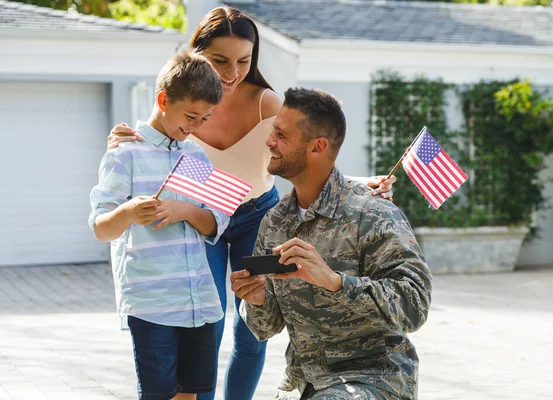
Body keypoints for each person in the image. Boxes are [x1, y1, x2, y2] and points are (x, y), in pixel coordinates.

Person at [107, 7, 396, 400]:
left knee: (252, 327)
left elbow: (308, 155)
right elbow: (155, 147)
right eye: (220, 60)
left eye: (243, 61)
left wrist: (360, 185)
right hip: (202, 219)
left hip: (258, 216)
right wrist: (121, 141)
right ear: (196, 54)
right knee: (203, 323)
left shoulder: (267, 103)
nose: (231, 72)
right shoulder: (185, 101)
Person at [231, 88, 433, 400]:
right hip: (303, 385)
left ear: (317, 147)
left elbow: (414, 305)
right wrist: (257, 299)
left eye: (282, 135)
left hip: (372, 380)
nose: (269, 141)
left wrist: (336, 282)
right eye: (273, 131)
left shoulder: (372, 213)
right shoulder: (275, 222)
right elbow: (265, 327)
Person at [89, 50, 230, 400]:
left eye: (205, 118)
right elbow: (100, 227)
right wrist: (129, 213)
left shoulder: (194, 156)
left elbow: (218, 221)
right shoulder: (125, 155)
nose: (196, 126)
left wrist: (185, 210)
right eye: (191, 116)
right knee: (158, 394)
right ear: (163, 100)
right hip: (152, 304)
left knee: (192, 392)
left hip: (199, 300)